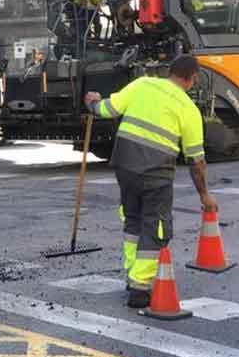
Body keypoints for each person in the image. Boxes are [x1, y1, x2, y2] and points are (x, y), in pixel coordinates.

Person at [84, 55, 218, 309]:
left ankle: (133, 273)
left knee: (133, 219)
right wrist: (204, 196)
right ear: (193, 78)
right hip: (155, 174)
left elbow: (106, 109)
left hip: (124, 167)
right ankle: (140, 287)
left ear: (170, 72)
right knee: (155, 227)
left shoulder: (143, 84)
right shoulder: (188, 109)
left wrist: (92, 103)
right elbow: (196, 161)